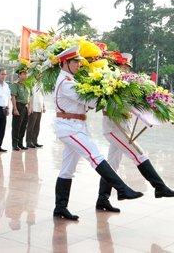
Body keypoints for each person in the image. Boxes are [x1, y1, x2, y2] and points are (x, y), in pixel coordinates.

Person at [53, 46, 142, 221]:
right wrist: (109, 89)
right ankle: (122, 189)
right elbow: (91, 101)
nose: (79, 65)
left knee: (67, 170)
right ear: (65, 63)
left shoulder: (71, 79)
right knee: (95, 155)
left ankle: (60, 208)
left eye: (79, 61)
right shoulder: (66, 83)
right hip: (69, 127)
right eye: (75, 62)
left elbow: (88, 103)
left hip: (76, 126)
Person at [96, 53, 174, 212]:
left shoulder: (124, 84)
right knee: (139, 154)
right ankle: (159, 187)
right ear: (117, 67)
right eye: (124, 67)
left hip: (122, 126)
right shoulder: (108, 82)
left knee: (112, 164)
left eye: (127, 68)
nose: (126, 70)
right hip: (114, 128)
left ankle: (102, 199)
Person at [10, 65, 32, 151]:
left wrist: (29, 107)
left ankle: (20, 143)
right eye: (23, 74)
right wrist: (15, 108)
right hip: (18, 106)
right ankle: (14, 144)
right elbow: (13, 97)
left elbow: (29, 98)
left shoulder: (27, 85)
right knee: (16, 126)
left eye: (26, 74)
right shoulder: (15, 85)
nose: (25, 76)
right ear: (19, 75)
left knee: (23, 126)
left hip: (25, 107)